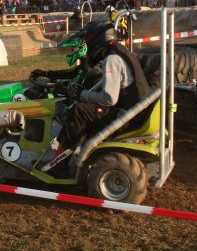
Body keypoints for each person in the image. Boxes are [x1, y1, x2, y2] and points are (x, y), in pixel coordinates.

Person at [44, 21, 151, 171]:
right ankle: (74, 151)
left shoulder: (112, 59)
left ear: (97, 40)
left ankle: (57, 160)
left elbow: (109, 98)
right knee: (88, 109)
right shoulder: (121, 51)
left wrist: (82, 94)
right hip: (135, 110)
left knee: (80, 111)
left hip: (128, 116)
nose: (87, 46)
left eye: (88, 42)